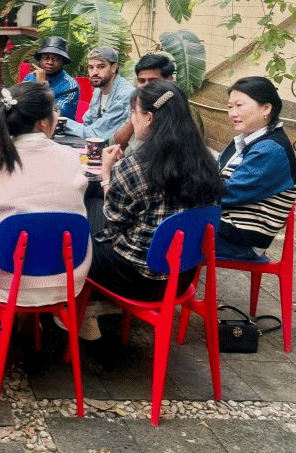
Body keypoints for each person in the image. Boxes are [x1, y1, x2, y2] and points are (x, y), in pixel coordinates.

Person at [90, 80, 222, 302]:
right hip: (182, 277)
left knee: (81, 234)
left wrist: (106, 174)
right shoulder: (207, 162)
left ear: (149, 118)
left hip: (138, 280)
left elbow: (114, 221)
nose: (132, 118)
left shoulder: (133, 167)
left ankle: (82, 305)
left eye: (133, 112)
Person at [0, 83, 90, 307]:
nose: (57, 115)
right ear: (42, 122)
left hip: (5, 282)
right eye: (54, 110)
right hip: (66, 279)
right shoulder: (72, 158)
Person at [215, 77, 296, 260]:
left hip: (240, 239)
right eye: (230, 107)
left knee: (166, 234)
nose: (233, 113)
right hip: (225, 228)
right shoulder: (246, 140)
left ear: (266, 108)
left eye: (239, 105)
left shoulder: (271, 149)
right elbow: (215, 172)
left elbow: (229, 192)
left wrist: (186, 188)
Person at [111, 53, 176, 154]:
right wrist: (137, 116)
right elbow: (116, 143)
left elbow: (141, 153)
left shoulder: (173, 109)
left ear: (169, 80)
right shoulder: (139, 103)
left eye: (153, 81)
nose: (146, 86)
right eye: (141, 81)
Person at [65, 46, 134, 140]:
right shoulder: (100, 88)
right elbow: (87, 123)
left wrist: (60, 122)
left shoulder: (124, 94)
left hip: (117, 147)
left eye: (101, 67)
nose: (94, 72)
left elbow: (98, 134)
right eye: (91, 67)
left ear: (113, 68)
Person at [22, 37, 80, 119]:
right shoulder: (30, 78)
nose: (50, 62)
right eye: (46, 58)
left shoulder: (70, 85)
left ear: (63, 62)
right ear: (39, 60)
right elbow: (20, 104)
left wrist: (42, 85)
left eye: (56, 59)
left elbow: (55, 116)